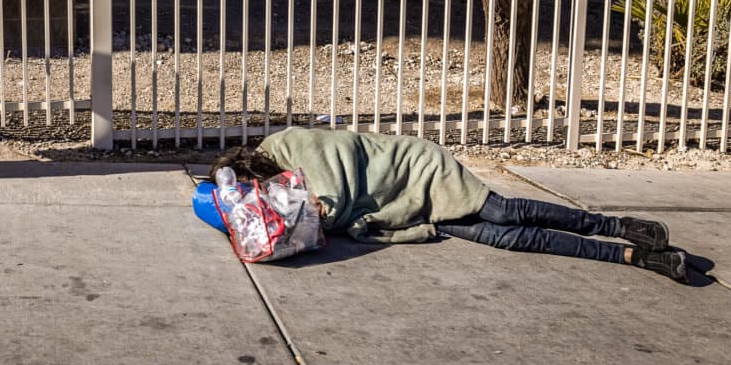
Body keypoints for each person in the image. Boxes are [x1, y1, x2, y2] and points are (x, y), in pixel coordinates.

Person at [210, 128, 688, 282]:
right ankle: (633, 256)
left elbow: (335, 178)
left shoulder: (290, 143)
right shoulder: (280, 188)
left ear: (254, 169)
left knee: (506, 212)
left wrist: (319, 214)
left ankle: (616, 225)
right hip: (406, 204)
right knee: (508, 240)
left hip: (418, 169)